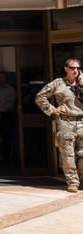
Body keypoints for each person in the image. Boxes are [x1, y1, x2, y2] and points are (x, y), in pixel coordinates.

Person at [35, 58, 83, 193]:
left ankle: (82, 179)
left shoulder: (82, 82)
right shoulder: (58, 83)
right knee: (68, 154)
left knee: (82, 155)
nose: (76, 70)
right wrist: (52, 110)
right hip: (66, 121)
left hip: (82, 121)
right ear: (66, 68)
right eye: (73, 68)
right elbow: (40, 97)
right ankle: (73, 182)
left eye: (78, 68)